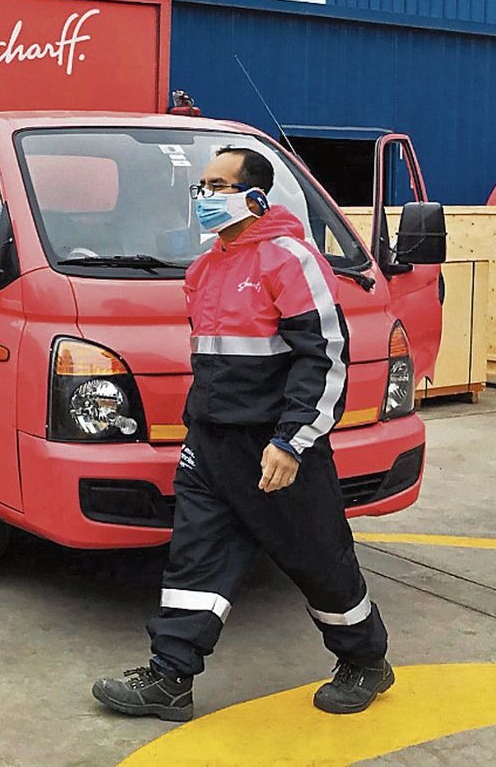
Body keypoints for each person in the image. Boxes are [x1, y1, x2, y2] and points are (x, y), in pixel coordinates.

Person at [92, 147, 392, 721]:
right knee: (194, 561)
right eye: (201, 186)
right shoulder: (205, 269)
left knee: (319, 561)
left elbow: (325, 356)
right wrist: (197, 433)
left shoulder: (290, 260)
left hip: (274, 448)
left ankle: (365, 662)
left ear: (254, 198)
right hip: (210, 445)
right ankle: (170, 677)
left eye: (217, 186)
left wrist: (292, 441)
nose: (204, 197)